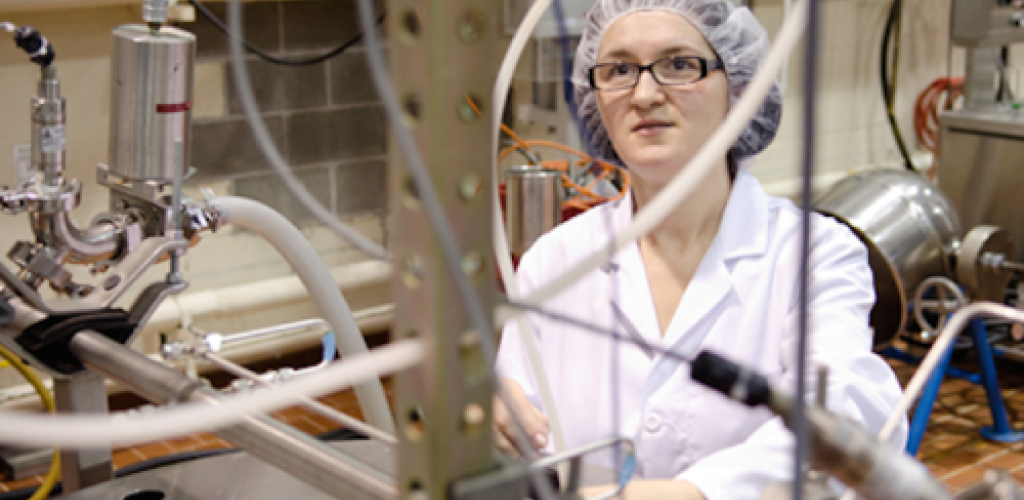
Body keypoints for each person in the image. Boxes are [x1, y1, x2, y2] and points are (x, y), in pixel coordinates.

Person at [493, 0, 907, 499]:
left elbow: (844, 412)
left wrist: (694, 492)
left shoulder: (814, 254)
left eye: (679, 64)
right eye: (620, 69)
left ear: (738, 87)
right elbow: (521, 414)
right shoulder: (555, 260)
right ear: (593, 95)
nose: (644, 94)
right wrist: (498, 414)